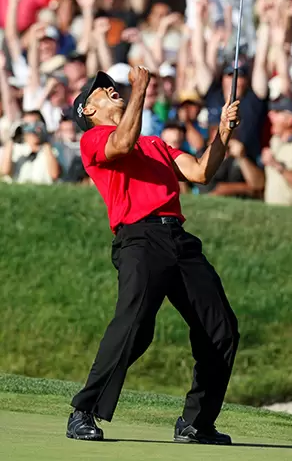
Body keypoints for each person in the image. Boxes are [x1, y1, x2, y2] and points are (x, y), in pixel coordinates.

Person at [67, 68, 240, 444]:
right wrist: (140, 89)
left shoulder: (155, 145)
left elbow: (200, 172)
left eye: (110, 86)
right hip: (139, 238)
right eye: (100, 90)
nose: (110, 89)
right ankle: (83, 410)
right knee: (134, 326)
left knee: (221, 328)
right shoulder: (94, 139)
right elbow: (122, 144)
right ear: (88, 110)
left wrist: (223, 133)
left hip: (177, 237)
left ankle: (196, 423)